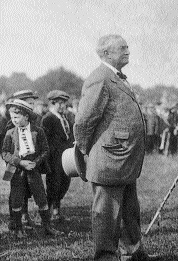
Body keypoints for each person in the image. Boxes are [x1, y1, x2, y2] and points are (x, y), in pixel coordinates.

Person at [74, 34, 155, 260]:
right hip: (110, 159)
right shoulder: (100, 78)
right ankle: (107, 257)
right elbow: (83, 121)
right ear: (106, 53)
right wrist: (84, 150)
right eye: (123, 48)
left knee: (130, 211)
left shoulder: (115, 77)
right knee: (107, 215)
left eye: (128, 47)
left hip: (123, 159)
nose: (128, 51)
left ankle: (133, 252)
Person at [2, 99, 62, 238]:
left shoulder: (38, 131)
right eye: (12, 117)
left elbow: (45, 150)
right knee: (17, 199)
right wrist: (19, 162)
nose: (14, 120)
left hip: (33, 170)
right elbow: (5, 153)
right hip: (17, 171)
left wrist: (36, 162)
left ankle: (47, 227)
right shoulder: (10, 133)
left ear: (26, 116)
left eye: (17, 117)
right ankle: (18, 228)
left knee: (41, 197)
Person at [41, 90, 74, 221]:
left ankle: (57, 208)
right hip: (53, 158)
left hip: (66, 158)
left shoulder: (65, 119)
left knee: (64, 183)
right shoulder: (48, 119)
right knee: (53, 184)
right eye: (58, 104)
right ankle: (49, 211)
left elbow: (69, 136)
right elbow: (44, 140)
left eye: (63, 104)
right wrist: (46, 159)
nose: (61, 106)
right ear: (52, 104)